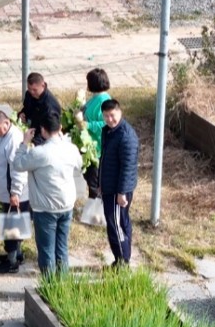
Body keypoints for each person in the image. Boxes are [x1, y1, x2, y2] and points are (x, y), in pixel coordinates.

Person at [12, 112, 82, 273]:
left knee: (46, 250)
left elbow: (18, 164)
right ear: (61, 128)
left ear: (42, 130)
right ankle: (62, 287)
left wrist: (24, 143)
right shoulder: (71, 148)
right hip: (66, 205)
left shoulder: (39, 153)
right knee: (62, 247)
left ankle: (49, 287)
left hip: (45, 208)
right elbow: (79, 164)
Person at [98, 100, 139, 267]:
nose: (109, 119)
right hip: (110, 185)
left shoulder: (126, 136)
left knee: (117, 226)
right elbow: (105, 160)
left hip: (118, 190)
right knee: (119, 222)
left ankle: (122, 261)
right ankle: (122, 258)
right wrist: (101, 183)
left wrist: (121, 193)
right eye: (106, 116)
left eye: (112, 115)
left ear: (119, 113)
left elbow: (128, 167)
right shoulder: (109, 131)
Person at [0, 110, 30, 274]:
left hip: (14, 191)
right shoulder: (3, 136)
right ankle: (17, 254)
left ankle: (12, 261)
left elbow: (17, 169)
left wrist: (15, 192)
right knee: (14, 223)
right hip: (8, 190)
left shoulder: (13, 139)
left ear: (6, 123)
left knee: (11, 226)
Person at [81, 68, 112, 200]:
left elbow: (106, 123)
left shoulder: (104, 100)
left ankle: (97, 211)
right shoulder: (95, 98)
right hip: (90, 146)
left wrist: (87, 125)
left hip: (98, 148)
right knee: (90, 179)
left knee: (94, 182)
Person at [19, 72, 61, 145]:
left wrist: (33, 143)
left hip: (40, 141)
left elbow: (51, 131)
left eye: (35, 90)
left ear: (43, 85)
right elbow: (26, 109)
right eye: (29, 89)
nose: (32, 92)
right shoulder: (29, 95)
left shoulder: (50, 106)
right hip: (28, 132)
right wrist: (21, 114)